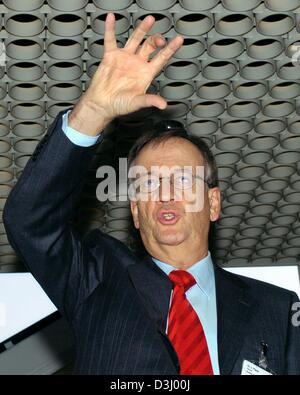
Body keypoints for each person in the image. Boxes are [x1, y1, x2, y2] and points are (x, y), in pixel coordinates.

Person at [3, 13, 300, 375]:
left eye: (183, 180)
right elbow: (29, 220)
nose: (165, 194)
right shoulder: (95, 279)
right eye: (148, 183)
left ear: (212, 203)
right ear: (136, 212)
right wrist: (94, 111)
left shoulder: (278, 309)